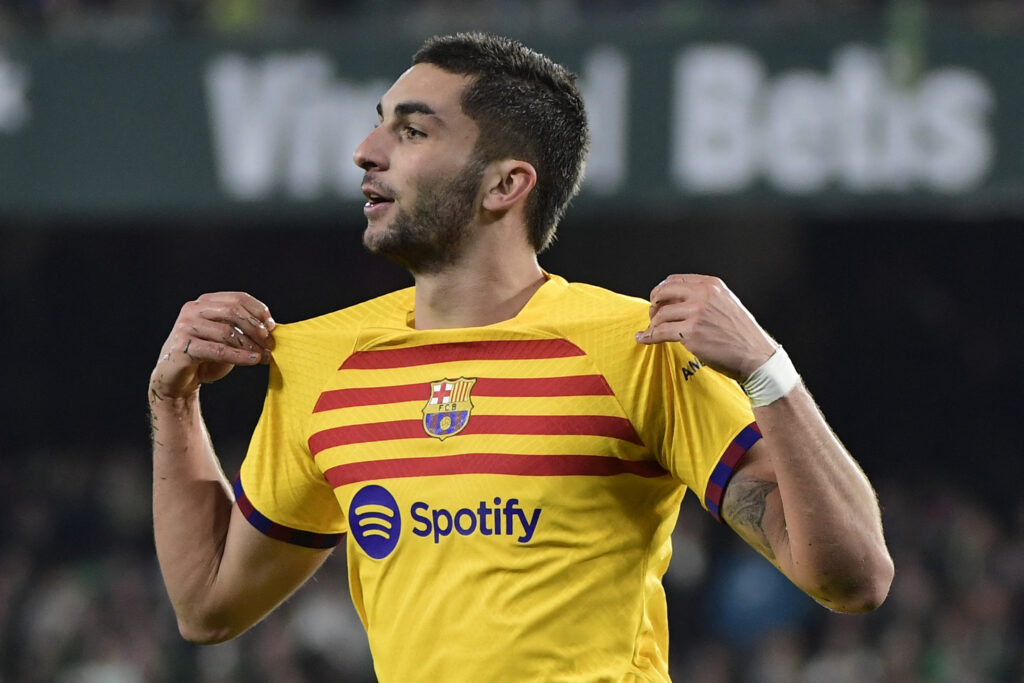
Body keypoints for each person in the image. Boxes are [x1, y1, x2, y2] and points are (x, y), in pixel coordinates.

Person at [149, 32, 893, 681]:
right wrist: (174, 404)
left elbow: (853, 576)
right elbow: (208, 606)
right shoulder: (317, 361)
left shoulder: (636, 348)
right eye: (379, 126)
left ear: (506, 183)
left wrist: (768, 371)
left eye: (411, 132)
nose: (366, 151)